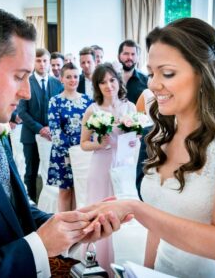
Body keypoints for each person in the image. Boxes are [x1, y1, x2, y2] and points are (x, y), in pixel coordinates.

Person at [0, 8, 123, 277]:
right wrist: (39, 246)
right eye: (19, 76)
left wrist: (73, 227)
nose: (25, 92)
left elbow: (11, 209)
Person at [81, 18, 215, 278]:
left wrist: (136, 208)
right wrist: (145, 271)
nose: (152, 84)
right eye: (151, 72)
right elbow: (159, 223)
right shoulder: (163, 126)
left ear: (202, 73)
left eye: (167, 73)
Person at [80, 63, 136, 274]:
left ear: (118, 81)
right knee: (100, 216)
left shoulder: (129, 108)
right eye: (102, 82)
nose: (108, 85)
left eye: (112, 80)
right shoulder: (92, 110)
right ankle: (97, 263)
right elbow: (84, 143)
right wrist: (99, 144)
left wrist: (134, 137)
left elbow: (135, 140)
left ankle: (123, 265)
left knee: (124, 214)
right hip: (101, 167)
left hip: (124, 166)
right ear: (97, 85)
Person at [18, 48, 63, 203]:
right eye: (38, 61)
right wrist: (40, 128)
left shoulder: (57, 84)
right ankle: (30, 204)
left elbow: (60, 108)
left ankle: (47, 204)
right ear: (33, 62)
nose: (42, 64)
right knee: (30, 172)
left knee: (50, 171)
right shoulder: (26, 82)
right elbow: (22, 112)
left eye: (45, 60)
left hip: (52, 136)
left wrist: (51, 127)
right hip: (30, 135)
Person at [47, 62, 92, 212]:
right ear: (61, 79)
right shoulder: (55, 101)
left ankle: (78, 224)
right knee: (66, 191)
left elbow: (91, 127)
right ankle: (65, 227)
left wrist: (85, 149)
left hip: (84, 153)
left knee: (82, 191)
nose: (73, 80)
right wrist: (71, 151)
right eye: (68, 77)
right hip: (63, 153)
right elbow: (55, 130)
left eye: (75, 76)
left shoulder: (87, 100)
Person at [118, 40, 148, 104]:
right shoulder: (110, 79)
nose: (130, 57)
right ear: (118, 56)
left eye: (133, 54)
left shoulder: (146, 81)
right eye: (126, 54)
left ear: (138, 58)